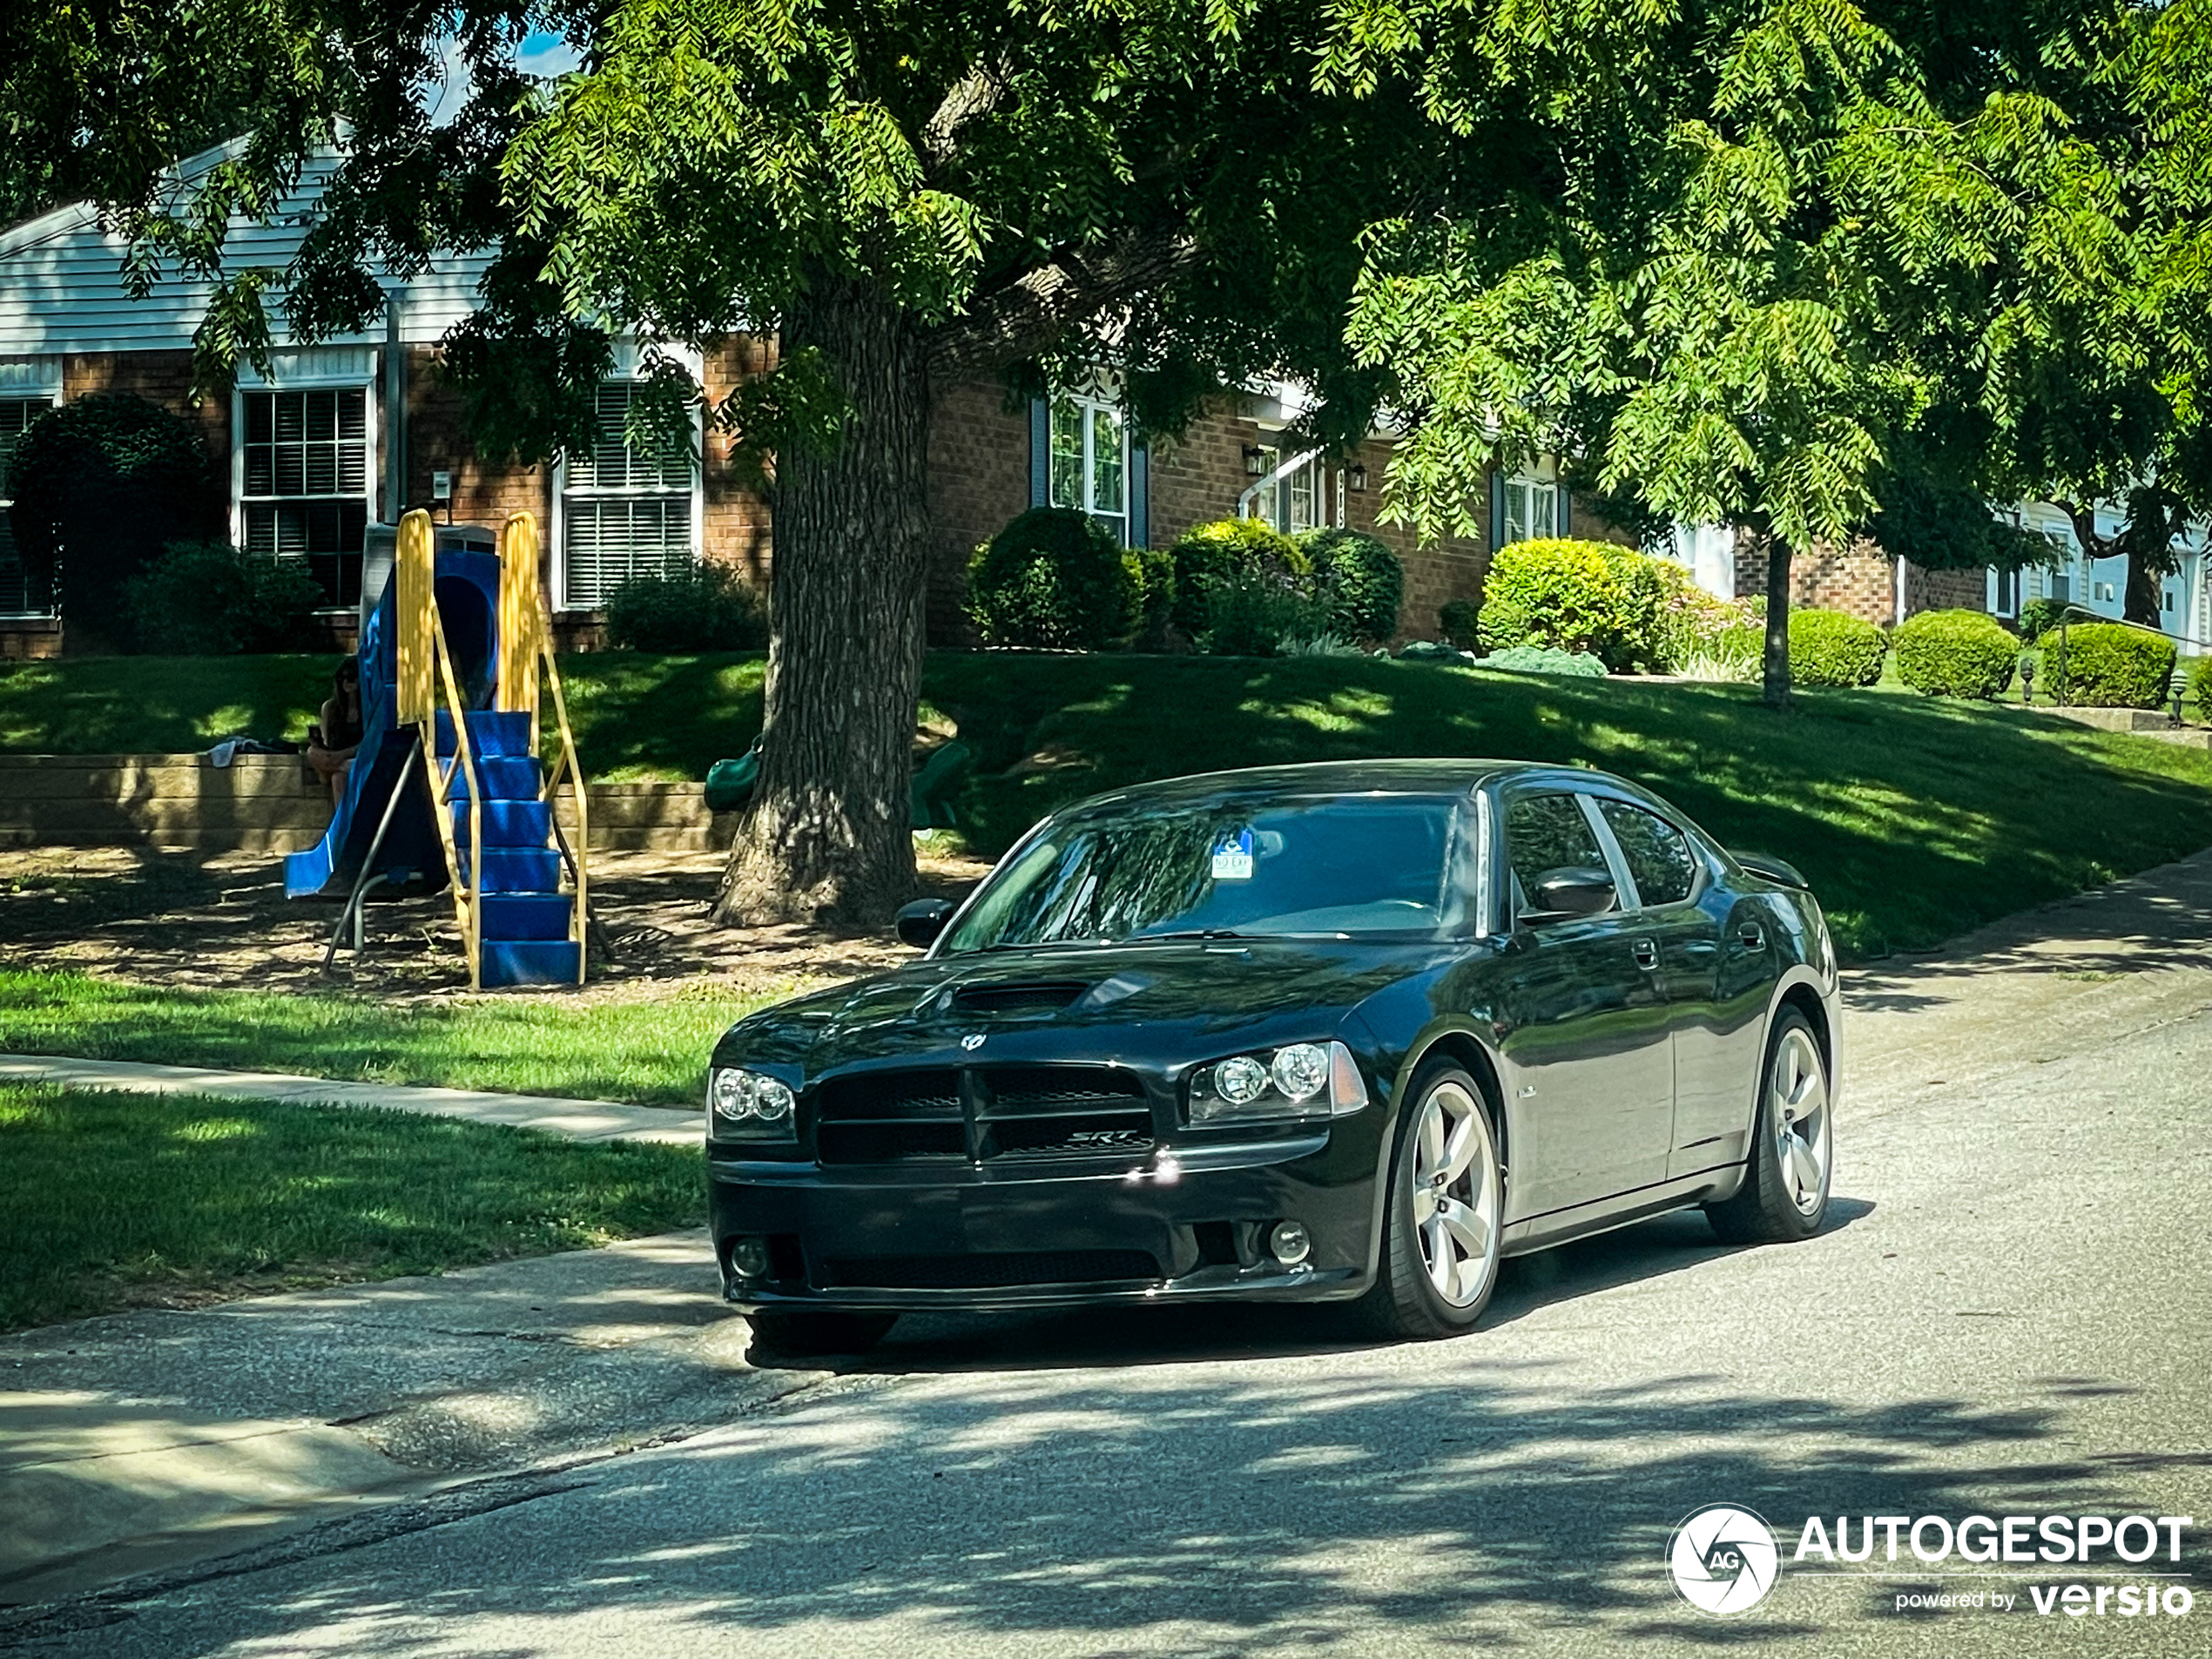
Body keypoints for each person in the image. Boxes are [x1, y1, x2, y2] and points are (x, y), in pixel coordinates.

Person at [306, 658, 363, 803]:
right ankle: (329, 770)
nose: (346, 683)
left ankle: (344, 825)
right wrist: (317, 743)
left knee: (338, 777)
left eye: (350, 677)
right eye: (341, 678)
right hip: (334, 755)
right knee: (312, 752)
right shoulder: (330, 708)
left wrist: (341, 755)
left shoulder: (366, 709)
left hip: (356, 756)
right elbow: (327, 741)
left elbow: (368, 742)